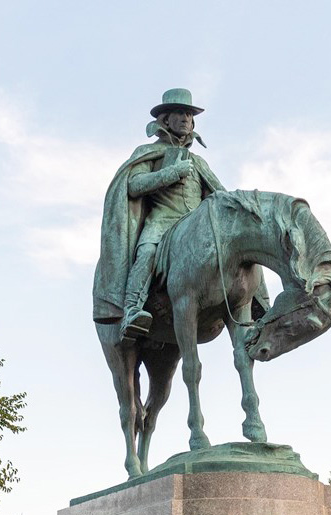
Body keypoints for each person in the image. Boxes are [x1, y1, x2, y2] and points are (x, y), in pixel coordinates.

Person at [92, 88, 269, 339]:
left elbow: (219, 193)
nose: (186, 118)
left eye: (189, 113)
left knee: (245, 248)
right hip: (163, 221)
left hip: (197, 226)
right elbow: (134, 185)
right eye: (180, 113)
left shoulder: (199, 162)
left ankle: (260, 306)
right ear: (165, 120)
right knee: (147, 252)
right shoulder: (149, 152)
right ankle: (132, 309)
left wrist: (241, 205)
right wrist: (170, 174)